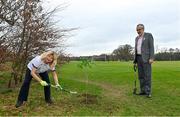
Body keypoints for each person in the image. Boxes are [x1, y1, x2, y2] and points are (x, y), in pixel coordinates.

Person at [133, 24, 154, 98]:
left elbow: (151, 47)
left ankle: (148, 92)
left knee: (147, 76)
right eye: (137, 30)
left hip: (146, 58)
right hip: (138, 58)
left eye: (139, 29)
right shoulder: (136, 38)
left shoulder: (148, 35)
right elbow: (136, 49)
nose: (138, 31)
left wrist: (151, 58)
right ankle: (143, 91)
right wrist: (135, 61)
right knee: (141, 76)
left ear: (143, 29)